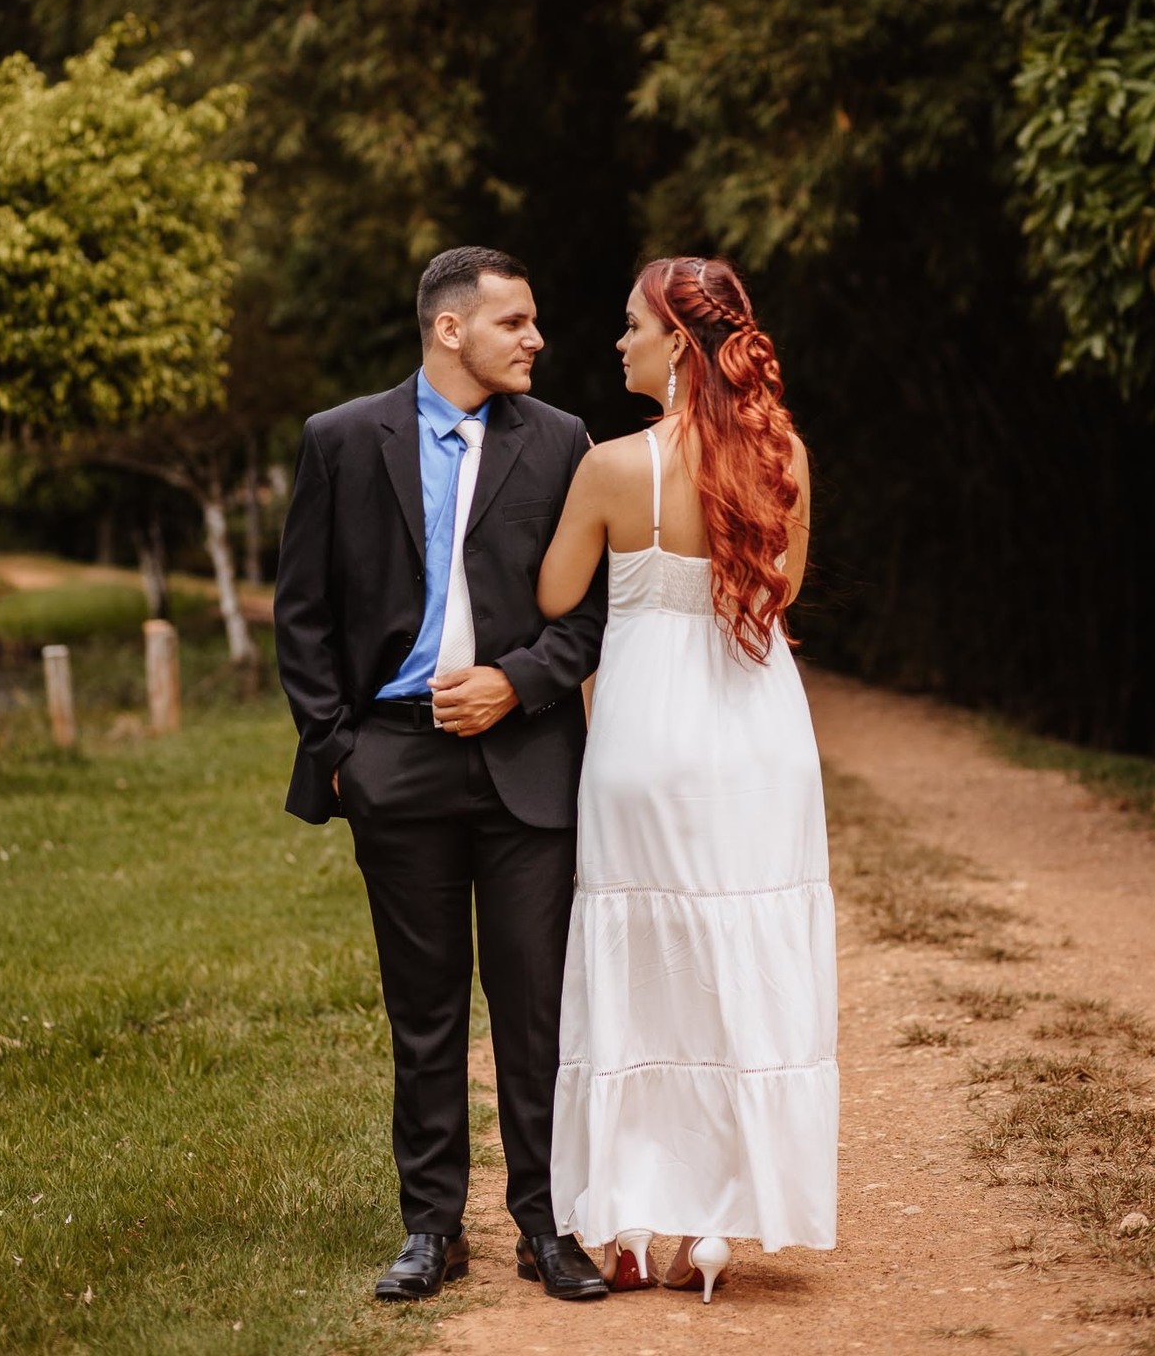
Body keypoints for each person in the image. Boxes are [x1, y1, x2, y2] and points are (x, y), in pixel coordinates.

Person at [274, 247, 609, 1304]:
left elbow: (593, 612)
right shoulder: (340, 440)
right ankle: (431, 1229)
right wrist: (341, 752)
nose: (537, 340)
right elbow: (303, 612)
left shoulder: (564, 445)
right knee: (421, 1014)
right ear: (450, 330)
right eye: (516, 321)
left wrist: (517, 683)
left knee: (534, 1008)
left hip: (526, 763)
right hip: (395, 761)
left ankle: (547, 1227)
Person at [538, 255, 838, 1301]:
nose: (617, 342)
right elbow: (783, 585)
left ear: (677, 342)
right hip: (757, 732)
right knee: (736, 955)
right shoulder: (781, 454)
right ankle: (715, 1222)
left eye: (631, 325)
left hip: (643, 737)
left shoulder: (615, 469)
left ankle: (624, 1219)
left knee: (638, 965)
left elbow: (554, 590)